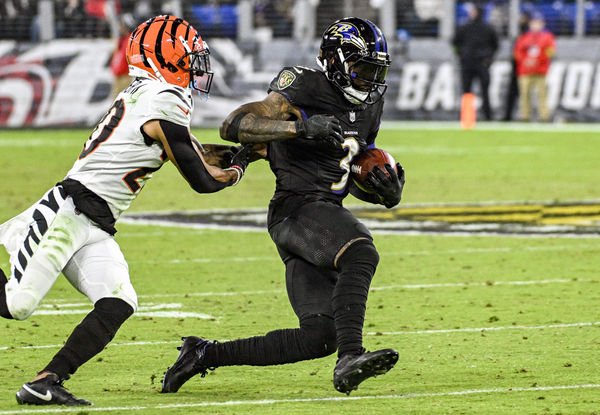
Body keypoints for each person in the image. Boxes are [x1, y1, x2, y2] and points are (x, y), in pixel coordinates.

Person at [0, 15, 251, 406]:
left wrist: (239, 153)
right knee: (17, 305)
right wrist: (238, 168)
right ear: (165, 58)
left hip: (95, 222)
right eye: (189, 59)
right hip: (68, 212)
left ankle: (46, 381)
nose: (195, 68)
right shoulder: (163, 99)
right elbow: (202, 178)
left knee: (119, 301)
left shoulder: (148, 95)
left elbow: (195, 152)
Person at [161, 17, 405, 395]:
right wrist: (299, 129)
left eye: (376, 70)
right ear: (336, 61)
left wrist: (381, 191)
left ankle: (202, 354)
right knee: (360, 253)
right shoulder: (305, 84)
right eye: (361, 68)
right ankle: (351, 357)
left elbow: (344, 171)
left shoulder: (372, 107)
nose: (369, 79)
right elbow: (235, 124)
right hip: (297, 208)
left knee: (318, 336)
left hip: (317, 218)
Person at [452, 3, 499, 121]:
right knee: (480, 92)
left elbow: (454, 43)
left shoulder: (466, 27)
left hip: (471, 62)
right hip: (480, 62)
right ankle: (485, 117)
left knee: (468, 91)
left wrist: (460, 55)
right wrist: (489, 58)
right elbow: (496, 46)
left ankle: (467, 118)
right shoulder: (486, 27)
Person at [514, 13, 556, 122]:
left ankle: (544, 116)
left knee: (542, 94)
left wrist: (537, 61)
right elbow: (517, 53)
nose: (536, 25)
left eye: (538, 23)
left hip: (540, 71)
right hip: (525, 70)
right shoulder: (524, 37)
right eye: (534, 23)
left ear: (542, 24)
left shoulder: (547, 37)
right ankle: (525, 116)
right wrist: (526, 61)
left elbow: (550, 52)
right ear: (530, 24)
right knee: (524, 94)